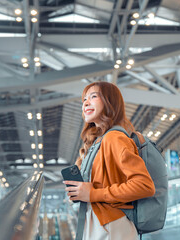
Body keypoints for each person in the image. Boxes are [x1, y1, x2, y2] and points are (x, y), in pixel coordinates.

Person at [63, 82, 155, 240]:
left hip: (111, 227)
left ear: (110, 102)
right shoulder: (97, 143)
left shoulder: (115, 138)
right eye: (84, 99)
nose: (86, 102)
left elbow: (144, 185)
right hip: (97, 224)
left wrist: (93, 194)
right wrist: (81, 192)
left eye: (93, 96)